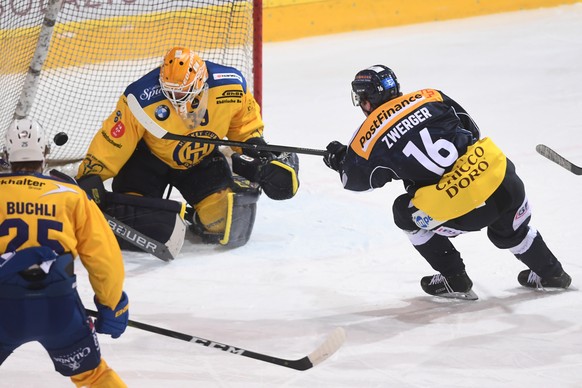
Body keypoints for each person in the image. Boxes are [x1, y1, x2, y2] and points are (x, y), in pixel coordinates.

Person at [323, 65, 571, 300]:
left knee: (403, 212)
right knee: (511, 233)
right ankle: (552, 273)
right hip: (504, 183)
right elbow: (472, 130)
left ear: (366, 101)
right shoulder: (431, 96)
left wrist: (341, 159)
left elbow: (353, 181)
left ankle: (454, 278)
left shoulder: (367, 136)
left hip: (462, 212)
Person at [76, 46, 299, 250]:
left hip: (200, 161)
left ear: (202, 81)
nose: (176, 98)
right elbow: (114, 141)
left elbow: (244, 125)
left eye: (183, 92)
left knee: (221, 222)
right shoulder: (139, 98)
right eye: (170, 92)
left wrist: (254, 145)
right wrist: (92, 175)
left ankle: (195, 216)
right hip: (149, 161)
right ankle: (158, 208)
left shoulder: (230, 86)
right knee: (131, 217)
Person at [0, 118, 129, 386]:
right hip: (58, 309)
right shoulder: (71, 194)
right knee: (94, 376)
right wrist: (112, 305)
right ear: (46, 153)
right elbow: (103, 257)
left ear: (6, 155)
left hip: (4, 307)